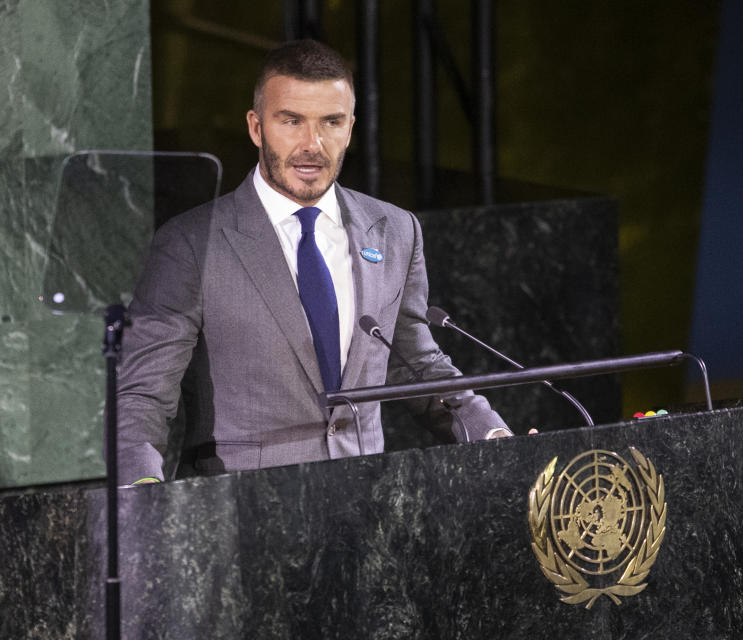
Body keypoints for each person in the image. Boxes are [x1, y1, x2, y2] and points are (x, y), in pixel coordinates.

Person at [116, 40, 511, 485]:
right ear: (256, 127)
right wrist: (141, 495)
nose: (312, 144)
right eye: (291, 121)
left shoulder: (395, 230)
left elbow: (414, 362)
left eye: (331, 122)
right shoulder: (191, 242)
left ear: (351, 126)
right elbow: (143, 396)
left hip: (366, 505)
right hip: (239, 513)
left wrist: (490, 431)